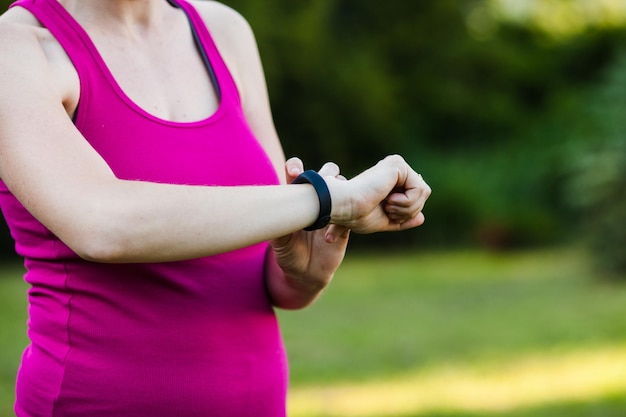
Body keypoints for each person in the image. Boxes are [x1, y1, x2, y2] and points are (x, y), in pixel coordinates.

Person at [0, 0, 431, 415]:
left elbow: (268, 266)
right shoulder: (18, 49)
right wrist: (327, 199)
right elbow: (102, 223)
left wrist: (305, 270)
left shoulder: (224, 32)